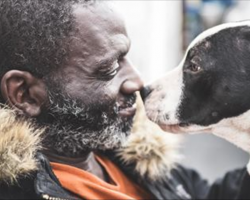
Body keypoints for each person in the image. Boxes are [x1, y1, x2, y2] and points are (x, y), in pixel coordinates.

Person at [0, 0, 249, 199]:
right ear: (26, 94)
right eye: (108, 69)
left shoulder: (134, 159)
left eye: (126, 58)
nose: (137, 81)